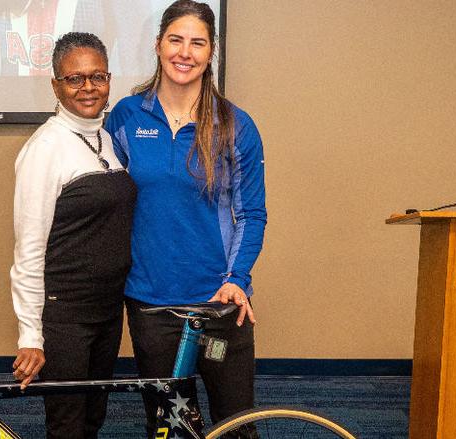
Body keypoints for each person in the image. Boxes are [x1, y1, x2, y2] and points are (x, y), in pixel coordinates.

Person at [104, 1, 267, 438]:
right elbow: (110, 204)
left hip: (218, 300)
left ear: (211, 52)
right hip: (149, 300)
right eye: (176, 39)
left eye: (197, 43)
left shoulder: (235, 125)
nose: (185, 52)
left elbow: (252, 213)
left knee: (235, 427)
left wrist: (237, 278)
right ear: (158, 45)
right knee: (167, 425)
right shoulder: (125, 116)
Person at [10, 32, 136, 438]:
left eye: (97, 77)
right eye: (75, 79)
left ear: (110, 80)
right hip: (65, 316)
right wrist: (31, 334)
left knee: (93, 417)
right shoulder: (45, 149)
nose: (88, 88)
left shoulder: (107, 139)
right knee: (67, 424)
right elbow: (28, 250)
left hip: (107, 308)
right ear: (56, 85)